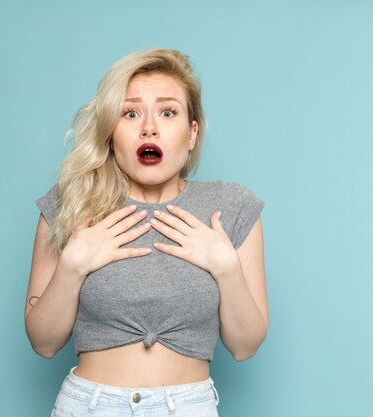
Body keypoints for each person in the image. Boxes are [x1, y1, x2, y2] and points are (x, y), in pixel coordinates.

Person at [25, 48, 268, 417]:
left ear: (191, 132)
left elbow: (245, 346)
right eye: (130, 112)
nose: (149, 127)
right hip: (89, 406)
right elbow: (43, 343)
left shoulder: (230, 206)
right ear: (110, 132)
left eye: (168, 112)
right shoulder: (72, 204)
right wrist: (72, 266)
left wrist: (226, 268)